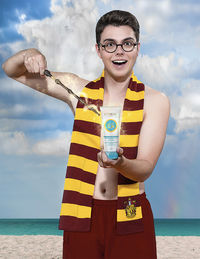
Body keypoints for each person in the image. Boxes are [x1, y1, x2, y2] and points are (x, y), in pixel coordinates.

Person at [2, 10, 170, 259]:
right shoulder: (77, 90)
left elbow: (145, 168)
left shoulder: (155, 101)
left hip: (130, 211)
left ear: (137, 48)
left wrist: (120, 163)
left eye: (127, 43)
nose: (119, 51)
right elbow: (11, 70)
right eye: (110, 44)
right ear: (98, 50)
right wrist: (29, 54)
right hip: (83, 214)